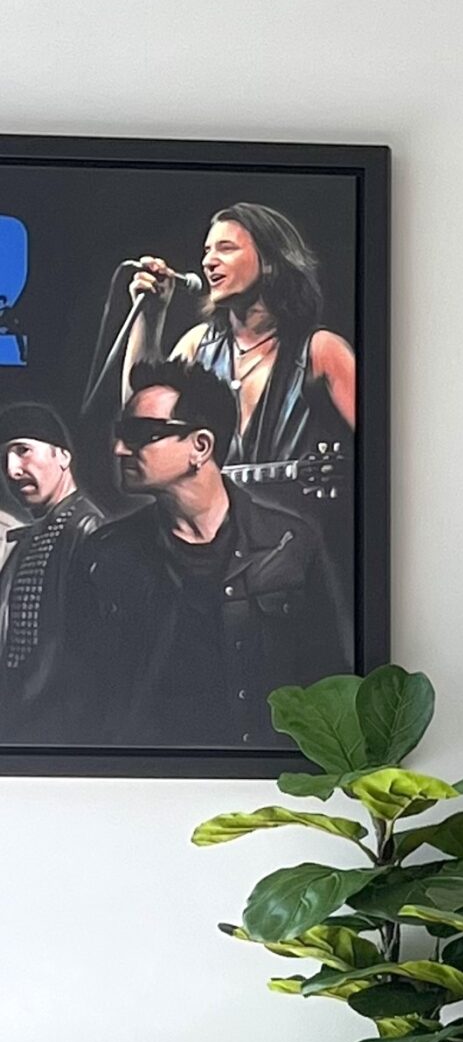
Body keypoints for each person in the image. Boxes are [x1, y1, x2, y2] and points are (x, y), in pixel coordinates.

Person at [62, 359, 350, 749]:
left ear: (200, 446)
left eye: (140, 433)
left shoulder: (290, 542)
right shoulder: (105, 555)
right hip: (147, 773)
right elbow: (81, 694)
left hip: (265, 775)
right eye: (120, 433)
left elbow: (328, 681)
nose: (119, 448)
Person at [125, 202, 356, 524]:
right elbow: (139, 416)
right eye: (207, 251)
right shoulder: (198, 344)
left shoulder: (321, 350)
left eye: (226, 248)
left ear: (271, 261)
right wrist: (150, 317)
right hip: (214, 537)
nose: (208, 261)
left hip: (296, 537)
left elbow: (384, 448)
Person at [0, 399, 105, 736]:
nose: (12, 470)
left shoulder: (89, 533)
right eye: (4, 459)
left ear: (62, 456)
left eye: (23, 451)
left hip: (63, 726)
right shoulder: (29, 537)